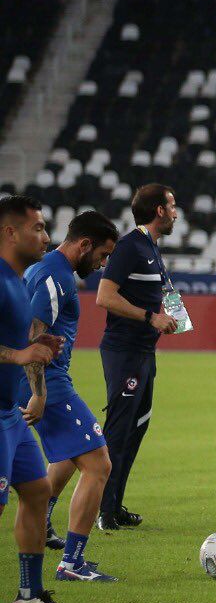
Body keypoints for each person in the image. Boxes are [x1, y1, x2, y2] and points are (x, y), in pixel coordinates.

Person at [19, 211, 119, 581]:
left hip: (43, 379)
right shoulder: (56, 278)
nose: (103, 264)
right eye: (103, 255)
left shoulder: (45, 269)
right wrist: (39, 394)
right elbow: (33, 336)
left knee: (67, 456)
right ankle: (72, 563)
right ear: (85, 244)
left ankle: (44, 523)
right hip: (45, 382)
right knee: (98, 464)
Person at [0, 195, 76, 603]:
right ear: (10, 232)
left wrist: (37, 346)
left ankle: (30, 596)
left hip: (10, 411)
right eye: (39, 228)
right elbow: (12, 351)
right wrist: (20, 355)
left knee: (37, 491)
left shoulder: (15, 278)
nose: (46, 237)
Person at [94, 184, 180, 531]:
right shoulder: (129, 246)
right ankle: (102, 510)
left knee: (137, 429)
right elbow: (104, 296)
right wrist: (151, 317)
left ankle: (114, 505)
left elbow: (164, 289)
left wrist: (178, 318)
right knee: (118, 431)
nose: (176, 212)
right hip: (124, 351)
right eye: (172, 206)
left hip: (144, 352)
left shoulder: (151, 249)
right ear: (158, 210)